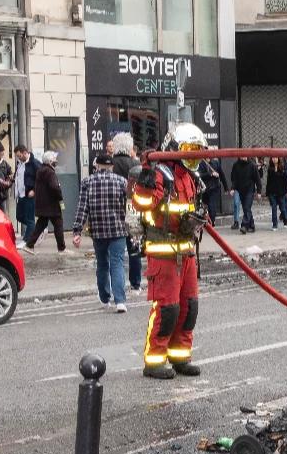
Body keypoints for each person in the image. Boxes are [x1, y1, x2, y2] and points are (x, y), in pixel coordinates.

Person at [132, 123, 208, 379]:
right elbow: (141, 203)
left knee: (189, 308)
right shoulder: (160, 173)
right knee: (168, 309)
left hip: (186, 251)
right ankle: (154, 360)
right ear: (174, 147)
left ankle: (180, 357)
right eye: (188, 150)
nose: (192, 156)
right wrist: (144, 178)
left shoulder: (190, 177)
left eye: (196, 151)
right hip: (164, 252)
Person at [74, 153, 130, 313]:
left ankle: (105, 297)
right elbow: (129, 206)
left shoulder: (87, 182)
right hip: (118, 229)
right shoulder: (121, 182)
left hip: (98, 231)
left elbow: (82, 208)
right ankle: (120, 301)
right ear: (111, 167)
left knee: (102, 264)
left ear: (96, 166)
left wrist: (77, 230)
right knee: (117, 263)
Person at [110, 132, 143, 292]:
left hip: (114, 210)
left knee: (115, 253)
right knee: (134, 248)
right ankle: (135, 283)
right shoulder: (135, 164)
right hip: (132, 209)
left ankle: (116, 284)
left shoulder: (110, 164)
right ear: (129, 146)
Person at [21, 151, 65, 253]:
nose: (55, 161)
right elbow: (55, 187)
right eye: (54, 159)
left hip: (42, 204)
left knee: (40, 225)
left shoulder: (41, 171)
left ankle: (29, 245)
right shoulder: (50, 172)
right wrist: (60, 197)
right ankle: (61, 249)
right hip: (52, 205)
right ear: (49, 161)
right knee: (58, 225)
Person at [12, 144, 40, 244]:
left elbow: (41, 179)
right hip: (21, 195)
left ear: (25, 153)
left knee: (30, 219)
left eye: (19, 156)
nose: (18, 158)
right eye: (17, 156)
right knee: (19, 216)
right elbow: (18, 177)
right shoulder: (20, 164)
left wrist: (34, 190)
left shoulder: (34, 163)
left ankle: (27, 241)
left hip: (30, 195)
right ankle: (36, 229)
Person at [229, 157, 260, 234]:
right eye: (242, 156)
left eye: (245, 156)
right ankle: (252, 225)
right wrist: (233, 188)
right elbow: (234, 178)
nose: (243, 157)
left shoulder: (252, 165)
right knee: (247, 209)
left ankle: (244, 226)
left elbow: (257, 179)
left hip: (250, 190)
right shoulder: (236, 165)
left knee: (246, 207)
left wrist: (259, 192)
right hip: (241, 190)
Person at [197, 154, 224, 225]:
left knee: (212, 205)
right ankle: (207, 220)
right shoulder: (200, 164)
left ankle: (212, 221)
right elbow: (200, 175)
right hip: (205, 189)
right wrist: (210, 174)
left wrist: (226, 187)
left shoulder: (215, 163)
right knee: (205, 205)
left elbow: (222, 174)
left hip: (214, 188)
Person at [266, 157, 287, 230]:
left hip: (281, 192)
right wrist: (267, 192)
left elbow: (286, 181)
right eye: (273, 158)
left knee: (282, 208)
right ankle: (274, 224)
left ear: (279, 159)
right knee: (274, 208)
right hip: (272, 192)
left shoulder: (282, 169)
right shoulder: (270, 169)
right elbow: (268, 181)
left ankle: (285, 220)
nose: (274, 159)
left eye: (276, 158)